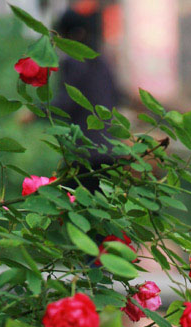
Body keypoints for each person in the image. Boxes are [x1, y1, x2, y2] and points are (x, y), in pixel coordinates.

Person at [52, 7, 121, 190]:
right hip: (109, 152)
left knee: (74, 205)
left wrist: (35, 112)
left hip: (84, 153)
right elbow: (116, 97)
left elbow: (66, 103)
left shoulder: (73, 62)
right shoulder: (103, 63)